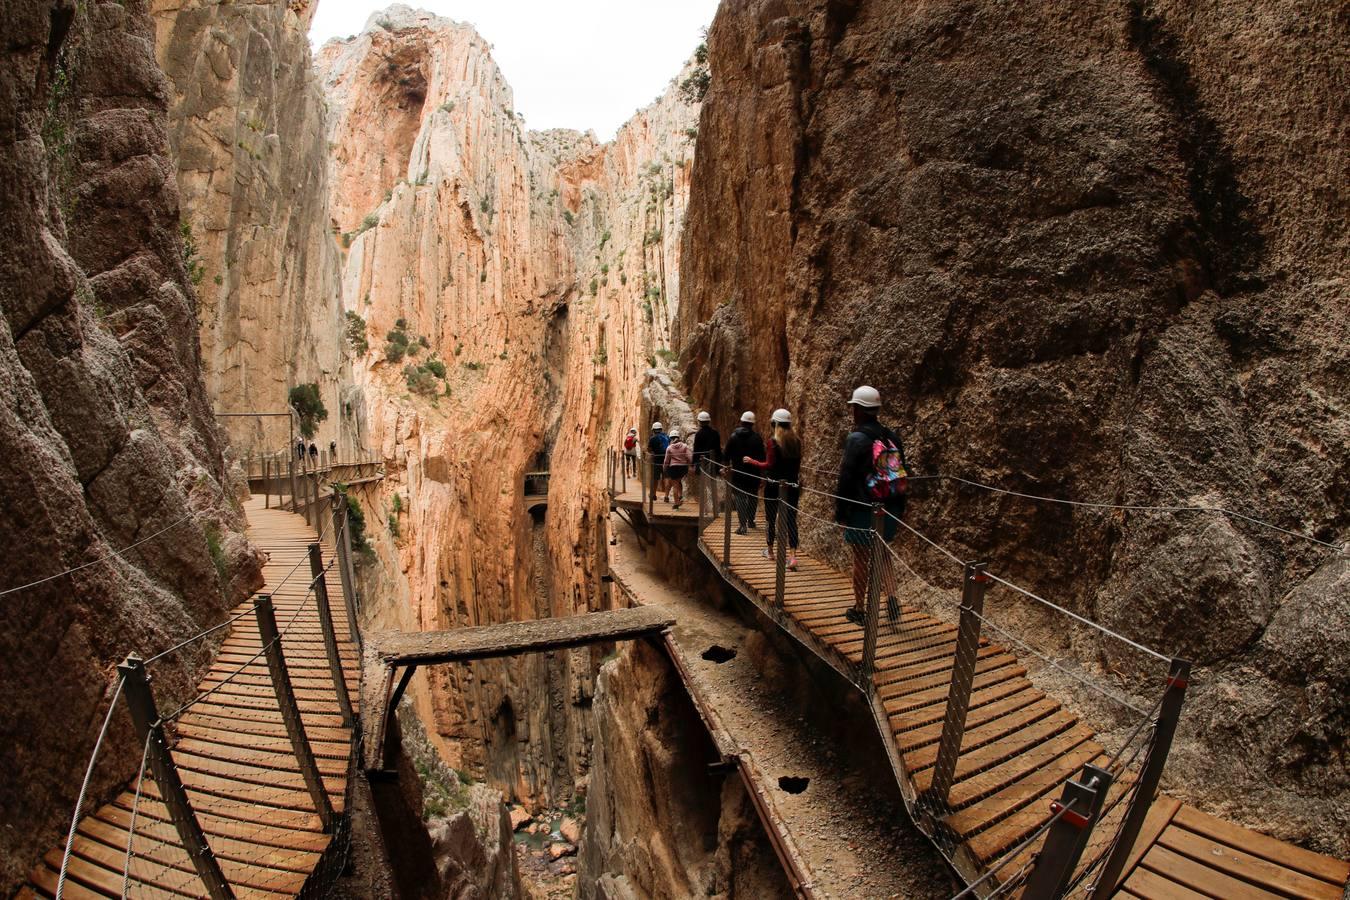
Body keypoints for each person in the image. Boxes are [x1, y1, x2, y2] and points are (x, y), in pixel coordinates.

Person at [835, 385, 909, 629]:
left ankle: (859, 608)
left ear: (859, 410)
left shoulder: (857, 438)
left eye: (854, 407)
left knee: (861, 558)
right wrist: (901, 507)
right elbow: (901, 472)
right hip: (890, 508)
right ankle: (892, 596)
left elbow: (846, 477)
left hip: (864, 508)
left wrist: (841, 512)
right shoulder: (891, 437)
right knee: (883, 550)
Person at [743, 408, 801, 570]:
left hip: (774, 485)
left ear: (774, 423)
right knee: (791, 520)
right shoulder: (796, 441)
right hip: (792, 486)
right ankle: (793, 556)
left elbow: (769, 464)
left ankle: (770, 551)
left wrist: (751, 461)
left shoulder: (773, 442)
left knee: (770, 518)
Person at [723, 411, 765, 533]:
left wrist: (727, 469)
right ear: (752, 424)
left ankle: (742, 525)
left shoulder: (733, 437)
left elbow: (726, 456)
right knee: (752, 496)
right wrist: (762, 476)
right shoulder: (757, 438)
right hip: (754, 473)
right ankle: (751, 521)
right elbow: (762, 458)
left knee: (740, 497)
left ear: (741, 422)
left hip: (738, 473)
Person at [663, 429, 693, 508]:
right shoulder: (684, 446)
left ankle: (676, 503)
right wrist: (691, 464)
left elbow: (666, 460)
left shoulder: (669, 448)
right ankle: (680, 497)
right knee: (678, 481)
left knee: (675, 485)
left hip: (673, 468)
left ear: (670, 438)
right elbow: (690, 457)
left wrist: (664, 468)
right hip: (683, 468)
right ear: (678, 437)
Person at [691, 411, 722, 476]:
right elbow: (718, 449)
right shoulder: (715, 433)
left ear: (699, 421)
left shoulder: (699, 434)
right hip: (714, 462)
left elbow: (696, 450)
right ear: (709, 421)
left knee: (703, 483)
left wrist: (693, 464)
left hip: (702, 463)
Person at [647, 422, 669, 501]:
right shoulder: (667, 437)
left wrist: (652, 453)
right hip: (666, 460)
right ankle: (666, 496)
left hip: (656, 460)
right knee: (666, 478)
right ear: (661, 429)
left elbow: (649, 449)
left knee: (655, 478)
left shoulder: (652, 438)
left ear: (653, 430)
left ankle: (653, 494)